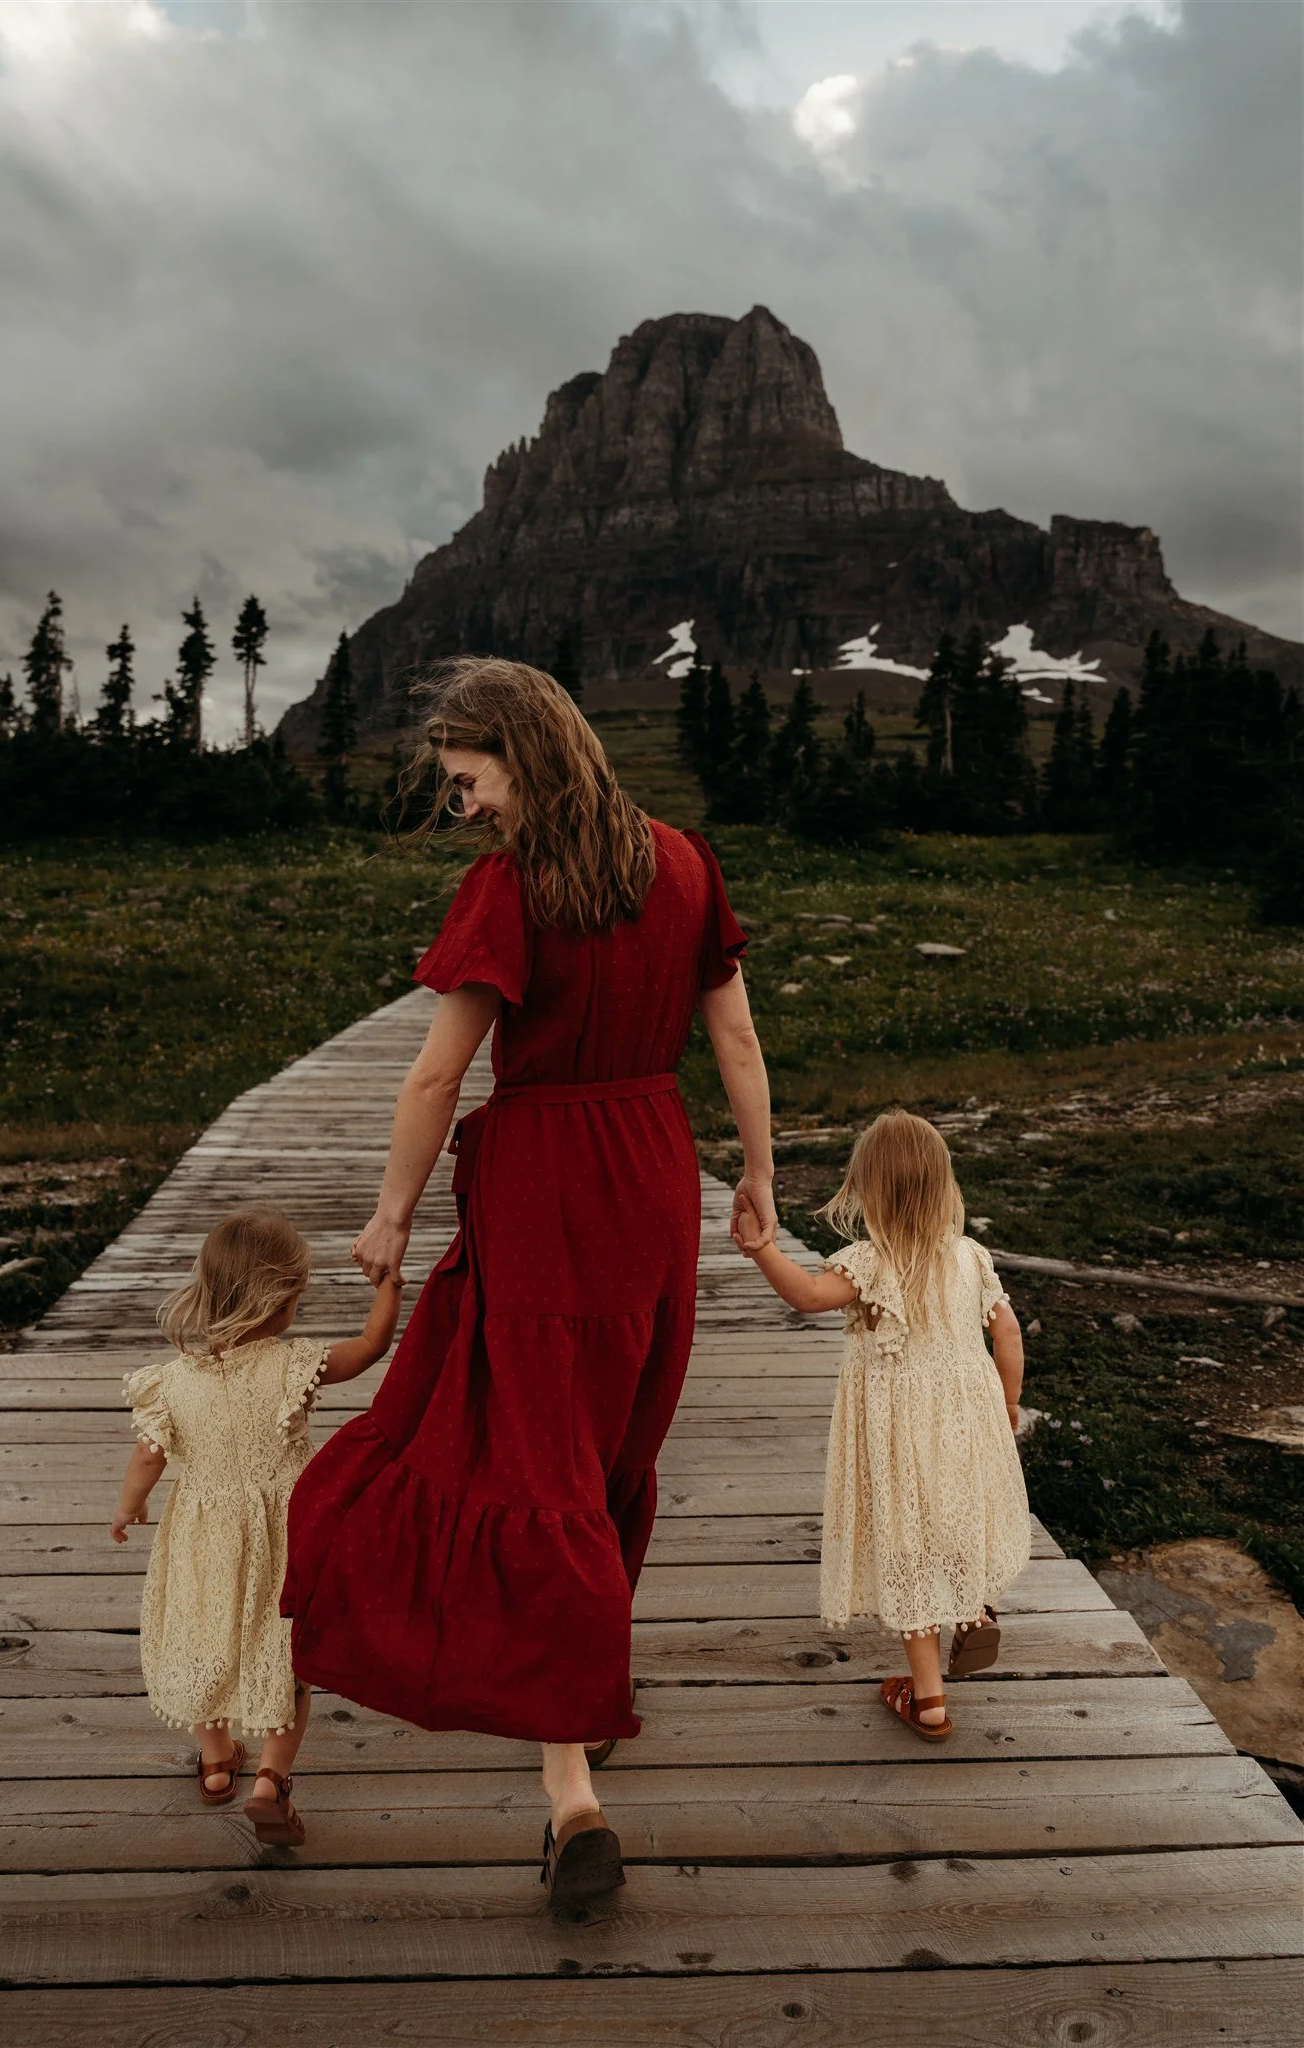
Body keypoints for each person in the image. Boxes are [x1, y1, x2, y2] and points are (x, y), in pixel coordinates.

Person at [281, 657, 776, 1906]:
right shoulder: (685, 862)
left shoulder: (512, 888)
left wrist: (390, 1216)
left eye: (469, 780)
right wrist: (759, 1177)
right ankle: (587, 1694)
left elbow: (435, 1078)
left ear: (523, 752)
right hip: (653, 1173)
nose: (466, 808)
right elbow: (736, 1035)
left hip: (547, 1184)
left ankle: (571, 1792)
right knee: (608, 1447)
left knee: (533, 1457)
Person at [111, 1207, 401, 1845]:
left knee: (202, 1637)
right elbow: (371, 1348)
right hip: (288, 1532)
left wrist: (130, 1506)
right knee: (283, 1653)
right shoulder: (294, 1365)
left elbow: (148, 1455)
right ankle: (271, 1779)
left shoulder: (171, 1380)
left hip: (202, 1535)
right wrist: (389, 1286)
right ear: (281, 1300)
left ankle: (216, 1766)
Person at [737, 1110, 1029, 1741]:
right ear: (944, 1187)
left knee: (907, 1542)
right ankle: (973, 1611)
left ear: (866, 1188)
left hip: (898, 1432)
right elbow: (1007, 1331)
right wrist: (1006, 1404)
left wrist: (763, 1249)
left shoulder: (870, 1262)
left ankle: (929, 1699)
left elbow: (809, 1297)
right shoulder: (971, 1257)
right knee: (957, 1516)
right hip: (967, 1419)